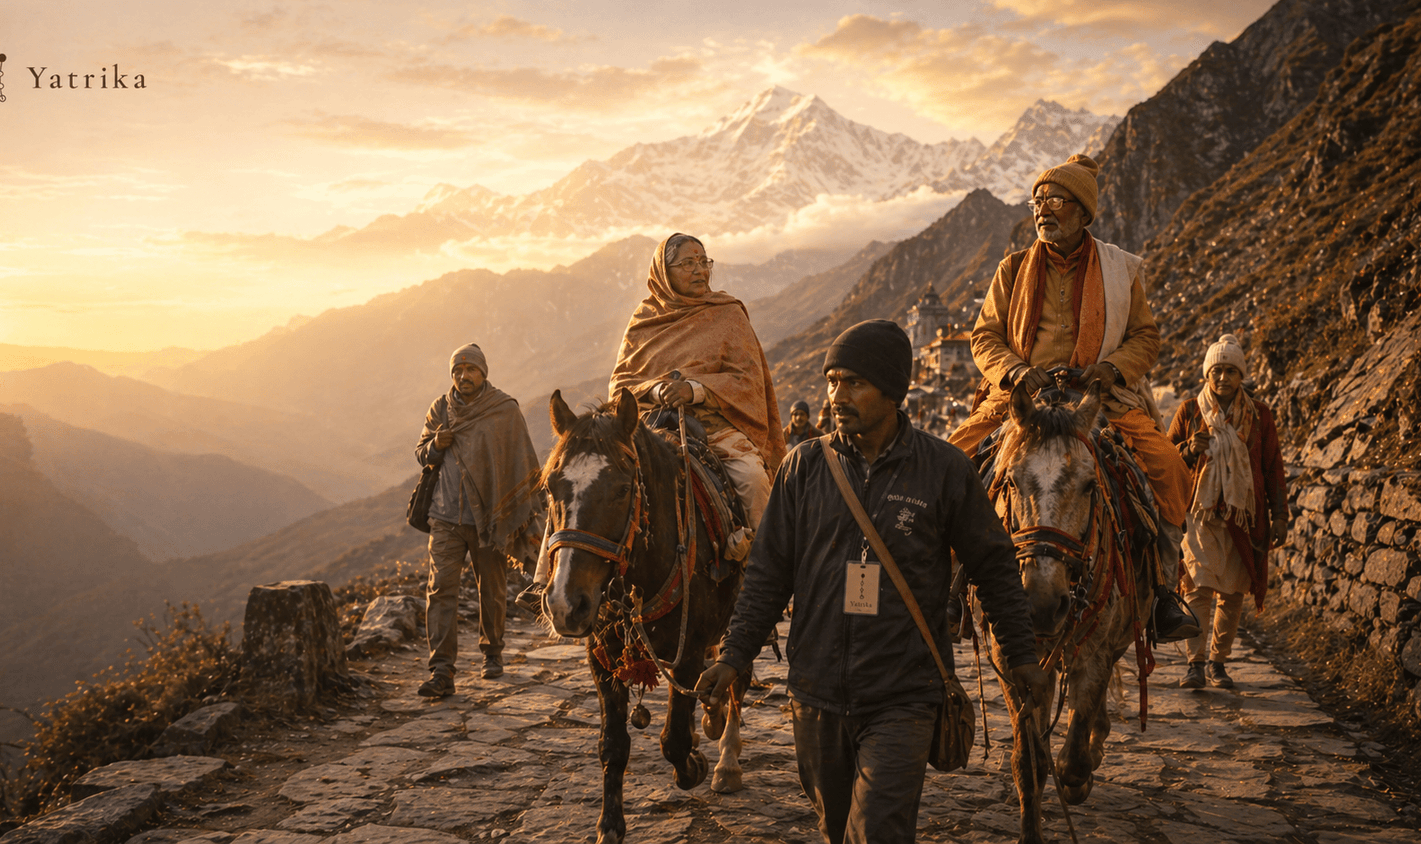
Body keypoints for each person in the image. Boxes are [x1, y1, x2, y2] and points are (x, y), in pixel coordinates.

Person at [697, 320, 1049, 844]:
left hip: (904, 695)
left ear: (893, 390)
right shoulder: (803, 468)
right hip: (814, 694)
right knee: (836, 830)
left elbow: (993, 567)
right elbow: (768, 575)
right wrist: (733, 656)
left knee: (879, 831)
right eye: (832, 381)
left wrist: (1021, 656)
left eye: (854, 382)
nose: (837, 395)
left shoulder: (944, 469)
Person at [949, 153, 1199, 642]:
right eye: (1037, 200)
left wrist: (1109, 370)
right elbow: (984, 338)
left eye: (1055, 200)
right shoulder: (1013, 268)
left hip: (1100, 401)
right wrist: (1017, 371)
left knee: (1169, 466)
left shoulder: (1122, 270)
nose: (1042, 209)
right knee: (951, 459)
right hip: (1021, 399)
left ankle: (1163, 595)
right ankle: (947, 590)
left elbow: (1146, 338)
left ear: (1083, 211)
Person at [516, 233, 785, 614]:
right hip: (650, 425)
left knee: (753, 478)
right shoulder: (644, 319)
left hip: (715, 424)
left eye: (704, 262)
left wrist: (695, 390)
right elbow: (621, 383)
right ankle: (544, 577)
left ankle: (762, 579)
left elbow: (747, 379)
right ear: (664, 271)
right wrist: (657, 391)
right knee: (582, 479)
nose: (699, 271)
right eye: (688, 263)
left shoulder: (728, 314)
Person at [413, 343, 544, 698]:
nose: (463, 376)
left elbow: (523, 459)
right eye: (457, 370)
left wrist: (527, 504)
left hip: (489, 517)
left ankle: (493, 652)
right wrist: (436, 445)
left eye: (470, 370)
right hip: (444, 516)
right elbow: (421, 452)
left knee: (493, 587)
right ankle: (441, 671)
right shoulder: (441, 408)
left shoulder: (503, 411)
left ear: (483, 372)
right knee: (441, 590)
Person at [1169, 335, 1288, 690]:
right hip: (1199, 516)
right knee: (1198, 589)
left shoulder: (1259, 415)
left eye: (1231, 371)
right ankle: (1195, 664)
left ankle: (1219, 663)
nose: (1223, 378)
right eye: (1217, 370)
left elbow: (1272, 468)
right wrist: (1189, 450)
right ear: (1207, 374)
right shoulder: (1190, 412)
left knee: (1234, 593)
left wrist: (1279, 514)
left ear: (1241, 376)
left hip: (1242, 518)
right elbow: (1165, 460)